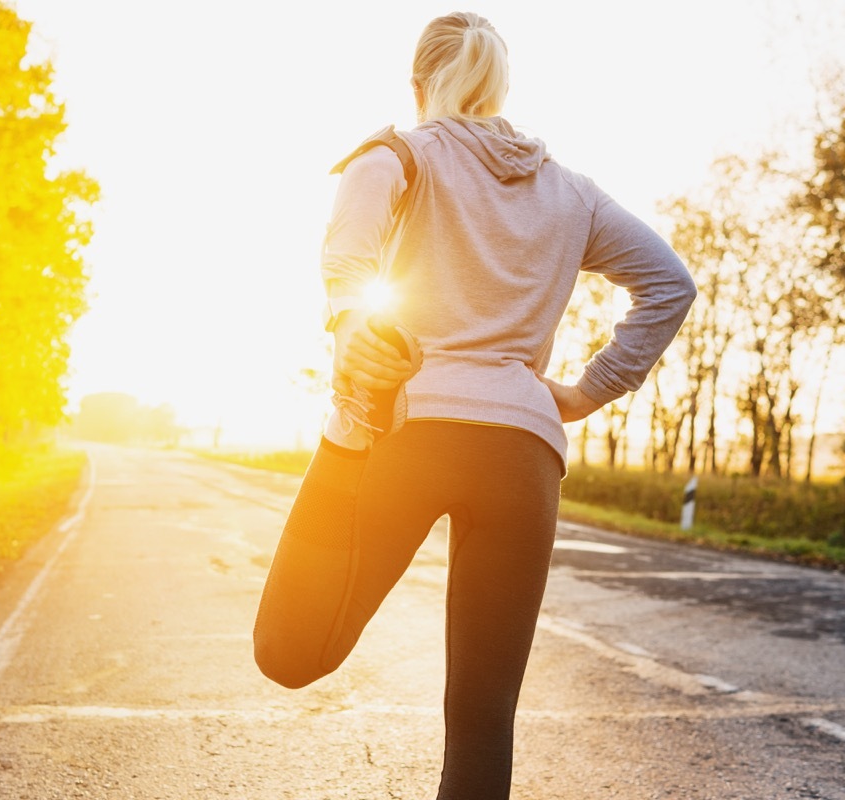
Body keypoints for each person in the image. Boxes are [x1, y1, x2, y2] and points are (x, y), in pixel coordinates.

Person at [254, 11, 697, 799]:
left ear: (418, 83)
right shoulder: (572, 191)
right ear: (499, 90)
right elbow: (671, 284)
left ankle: (344, 442)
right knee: (484, 719)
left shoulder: (395, 154)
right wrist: (587, 392)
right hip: (523, 455)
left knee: (288, 653)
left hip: (407, 435)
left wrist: (353, 323)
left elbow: (349, 249)